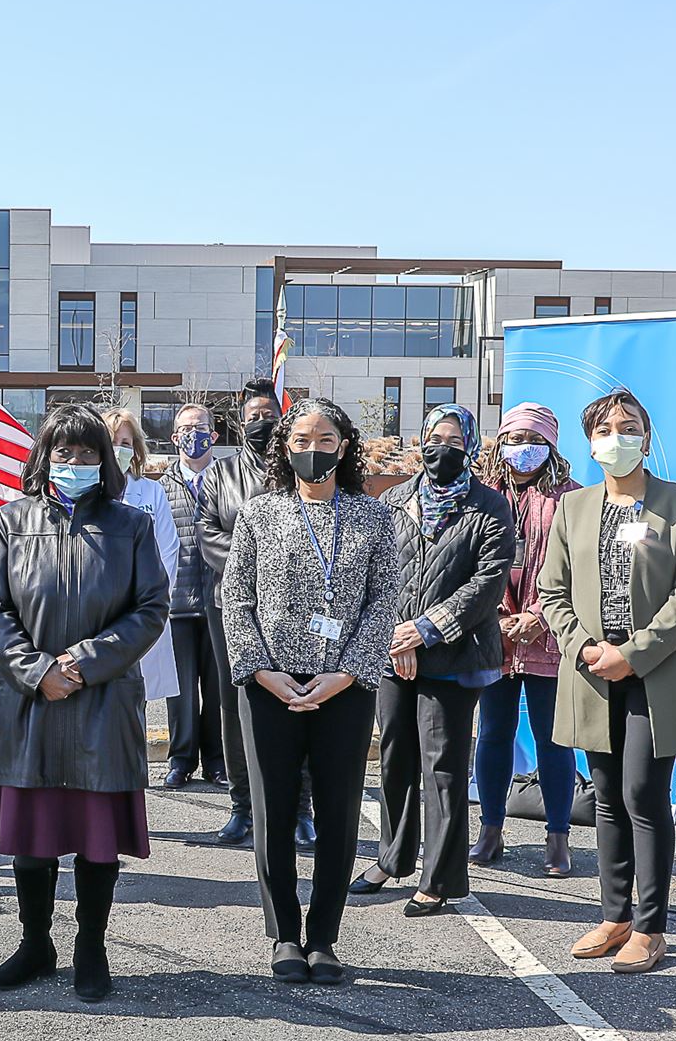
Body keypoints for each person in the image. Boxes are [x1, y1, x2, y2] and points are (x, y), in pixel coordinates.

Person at [0, 406, 168, 1001]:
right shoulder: (9, 521)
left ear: (105, 461)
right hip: (28, 701)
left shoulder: (131, 524)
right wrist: (38, 671)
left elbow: (150, 608)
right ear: (44, 459)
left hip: (101, 700)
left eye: (87, 453)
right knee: (32, 837)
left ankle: (92, 945)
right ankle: (36, 943)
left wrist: (83, 662)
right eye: (64, 453)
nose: (75, 463)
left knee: (94, 837)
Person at [221, 398, 402, 985]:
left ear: (344, 447)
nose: (313, 449)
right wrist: (261, 671)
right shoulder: (259, 513)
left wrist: (346, 673)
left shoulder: (374, 517)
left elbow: (384, 601)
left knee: (339, 811)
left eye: (325, 439)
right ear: (284, 447)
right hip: (269, 685)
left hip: (343, 688)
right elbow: (237, 599)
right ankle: (284, 935)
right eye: (301, 438)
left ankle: (324, 936)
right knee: (273, 811)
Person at [538, 388, 676, 975]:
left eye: (630, 425)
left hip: (651, 672)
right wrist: (584, 647)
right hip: (591, 672)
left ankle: (651, 925)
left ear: (646, 434)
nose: (619, 437)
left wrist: (632, 655)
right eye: (607, 428)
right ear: (591, 442)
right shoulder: (574, 508)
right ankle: (614, 916)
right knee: (606, 797)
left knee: (643, 794)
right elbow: (552, 591)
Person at [352, 403, 512, 913]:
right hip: (394, 654)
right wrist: (393, 636)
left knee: (442, 766)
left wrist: (424, 631)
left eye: (453, 440)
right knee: (394, 755)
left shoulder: (490, 507)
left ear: (470, 444)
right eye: (433, 438)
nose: (441, 449)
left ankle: (441, 875)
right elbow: (378, 573)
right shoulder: (396, 499)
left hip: (454, 656)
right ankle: (392, 856)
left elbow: (486, 585)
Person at [194, 379, 314, 850]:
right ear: (239, 422)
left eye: (270, 415)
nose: (261, 423)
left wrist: (278, 570)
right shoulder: (220, 476)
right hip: (232, 607)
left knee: (298, 699)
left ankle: (301, 808)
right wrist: (260, 564)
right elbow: (207, 536)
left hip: (293, 612)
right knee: (235, 704)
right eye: (253, 416)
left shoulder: (296, 472)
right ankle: (242, 807)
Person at [469, 402, 583, 877]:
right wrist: (493, 614)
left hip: (549, 636)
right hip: (491, 635)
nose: (522, 449)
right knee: (493, 733)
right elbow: (467, 561)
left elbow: (583, 568)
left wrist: (539, 615)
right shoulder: (481, 494)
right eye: (513, 439)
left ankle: (558, 838)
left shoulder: (572, 499)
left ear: (552, 445)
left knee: (552, 740)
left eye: (533, 440)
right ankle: (490, 830)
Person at [155, 401, 227, 788]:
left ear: (214, 436)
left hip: (220, 602)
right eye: (185, 428)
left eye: (200, 427)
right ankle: (181, 759)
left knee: (218, 689)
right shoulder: (159, 487)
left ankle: (217, 760)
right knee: (179, 691)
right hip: (176, 603)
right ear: (174, 437)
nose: (192, 434)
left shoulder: (229, 482)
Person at [103, 406, 181, 716]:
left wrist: (148, 604)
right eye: (111, 442)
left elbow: (168, 551)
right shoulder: (87, 493)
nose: (118, 450)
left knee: (135, 706)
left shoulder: (151, 491)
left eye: (125, 443)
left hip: (141, 615)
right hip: (96, 616)